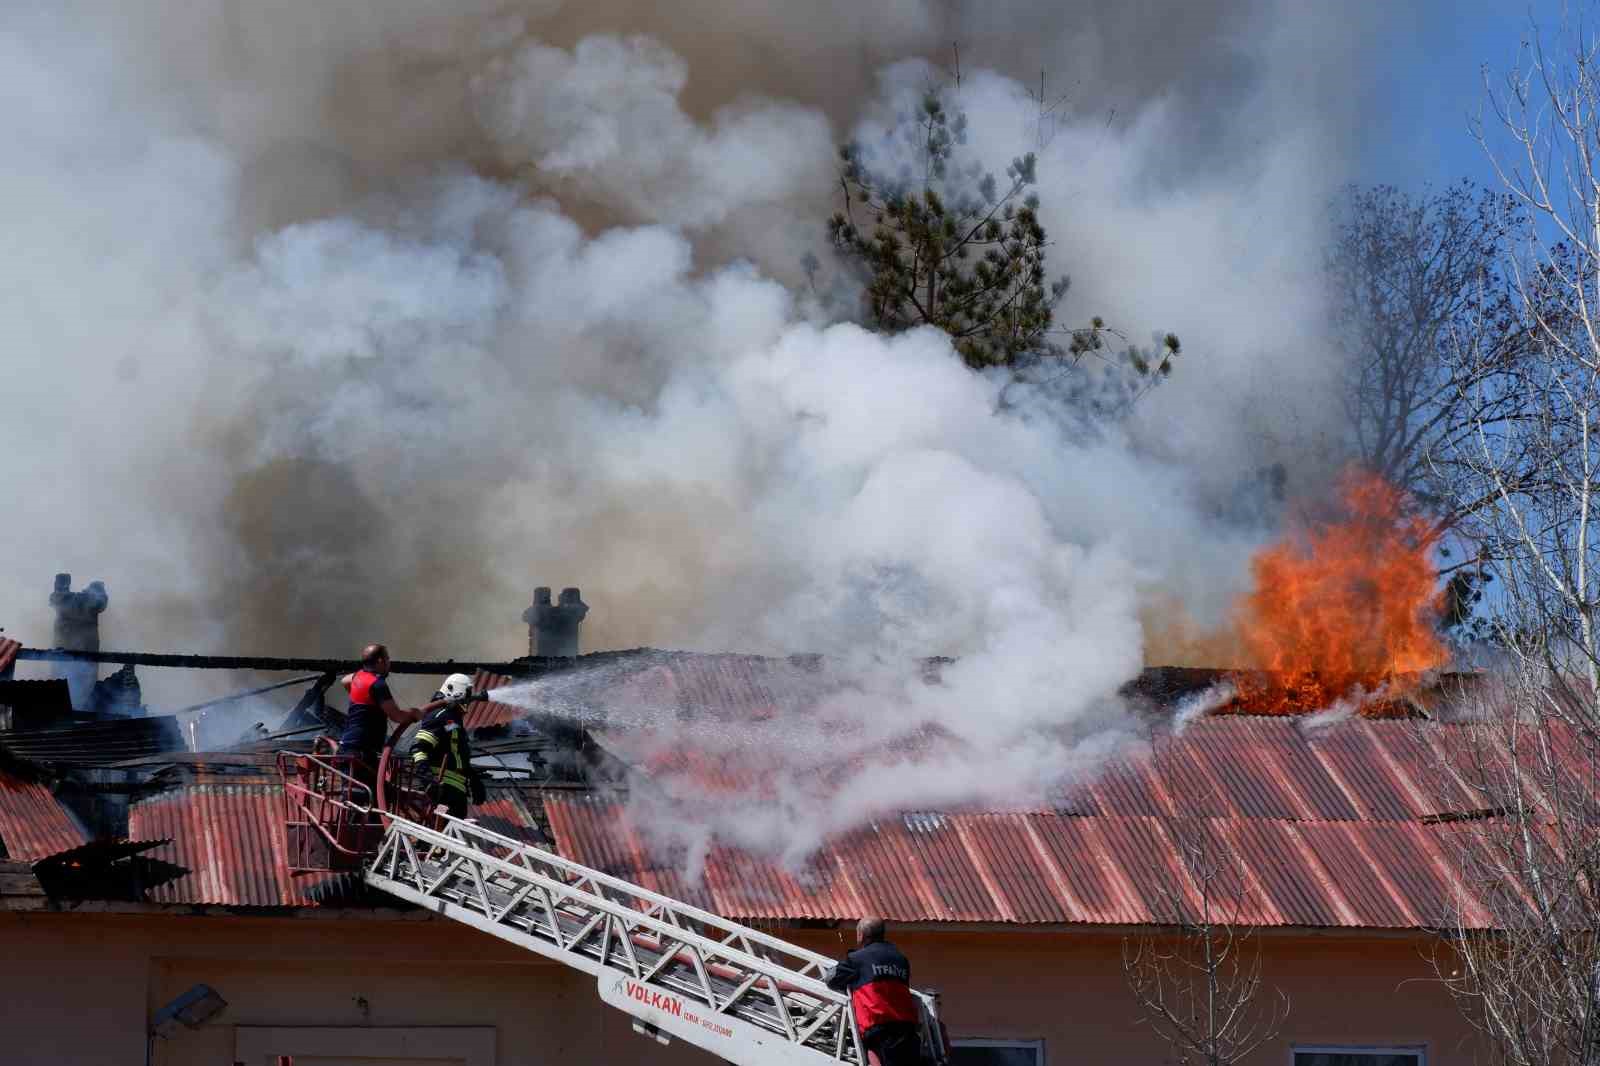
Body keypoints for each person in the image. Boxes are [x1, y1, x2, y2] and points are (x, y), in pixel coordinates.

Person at [337, 644, 455, 792]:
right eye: (387, 658)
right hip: (361, 753)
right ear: (380, 661)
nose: (389, 663)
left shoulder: (358, 676)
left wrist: (365, 700)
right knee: (362, 799)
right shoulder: (377, 684)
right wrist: (414, 714)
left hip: (347, 747)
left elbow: (344, 681)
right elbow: (397, 716)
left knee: (361, 798)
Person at [826, 917, 924, 1066]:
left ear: (861, 935)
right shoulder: (901, 959)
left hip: (878, 1030)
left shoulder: (857, 958)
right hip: (906, 1028)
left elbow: (831, 979)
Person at [409, 672, 488, 819]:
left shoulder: (452, 721)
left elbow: (454, 754)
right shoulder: (440, 716)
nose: (469, 701)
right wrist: (428, 779)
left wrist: (473, 779)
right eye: (467, 695)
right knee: (435, 835)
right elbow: (418, 749)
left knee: (450, 838)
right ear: (453, 691)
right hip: (441, 789)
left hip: (456, 792)